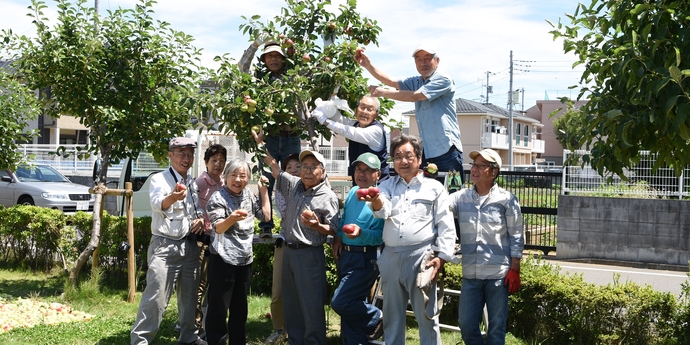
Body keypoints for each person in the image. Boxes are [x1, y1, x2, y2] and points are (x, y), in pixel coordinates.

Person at [368, 134, 458, 345]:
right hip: (391, 257)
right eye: (398, 156)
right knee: (392, 316)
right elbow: (383, 211)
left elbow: (446, 224)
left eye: (408, 155)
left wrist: (442, 257)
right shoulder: (386, 186)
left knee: (427, 316)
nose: (403, 161)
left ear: (419, 159)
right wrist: (375, 200)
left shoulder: (434, 188)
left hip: (422, 257)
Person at [252, 128, 340, 345]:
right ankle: (296, 341)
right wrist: (261, 144)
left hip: (309, 254)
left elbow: (333, 229)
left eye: (313, 167)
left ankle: (314, 342)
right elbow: (273, 166)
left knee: (310, 304)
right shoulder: (293, 186)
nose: (308, 171)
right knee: (291, 304)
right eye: (304, 167)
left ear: (322, 170)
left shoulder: (327, 196)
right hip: (289, 251)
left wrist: (317, 225)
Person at [130, 137, 207, 345]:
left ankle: (189, 337)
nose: (187, 158)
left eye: (190, 154)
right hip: (165, 245)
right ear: (170, 155)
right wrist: (173, 197)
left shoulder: (191, 181)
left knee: (190, 298)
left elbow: (195, 208)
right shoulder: (159, 179)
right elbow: (158, 204)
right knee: (156, 297)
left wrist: (200, 218)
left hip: (190, 246)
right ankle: (141, 341)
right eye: (181, 153)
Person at [450, 149, 524, 345]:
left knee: (496, 328)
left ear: (494, 171)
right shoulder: (460, 198)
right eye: (474, 165)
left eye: (481, 166)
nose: (474, 169)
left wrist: (515, 268)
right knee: (466, 326)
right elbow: (441, 206)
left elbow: (516, 234)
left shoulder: (507, 199)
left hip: (498, 275)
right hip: (471, 275)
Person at [355, 44, 464, 175]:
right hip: (427, 153)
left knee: (452, 193)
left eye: (427, 58)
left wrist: (382, 92)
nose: (422, 63)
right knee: (428, 193)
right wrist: (368, 65)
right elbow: (391, 81)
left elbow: (415, 96)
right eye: (418, 59)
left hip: (447, 151)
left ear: (437, 61)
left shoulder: (443, 79)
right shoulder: (417, 81)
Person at [204, 159, 271, 345]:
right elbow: (218, 228)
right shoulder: (218, 198)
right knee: (218, 309)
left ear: (248, 179)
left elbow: (265, 216)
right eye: (233, 175)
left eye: (242, 176)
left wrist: (263, 192)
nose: (238, 179)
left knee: (240, 310)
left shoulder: (248, 195)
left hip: (244, 260)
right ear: (225, 177)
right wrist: (231, 218)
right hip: (222, 260)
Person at [330, 152, 385, 344]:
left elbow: (379, 236)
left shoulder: (380, 200)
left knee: (341, 302)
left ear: (378, 174)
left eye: (368, 170)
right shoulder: (354, 192)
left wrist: (361, 233)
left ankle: (378, 316)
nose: (362, 174)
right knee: (352, 308)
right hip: (346, 255)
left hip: (365, 259)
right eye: (358, 169)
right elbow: (344, 218)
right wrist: (338, 237)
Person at [255, 42, 303, 238]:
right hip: (271, 138)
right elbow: (243, 68)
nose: (273, 59)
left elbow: (300, 62)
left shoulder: (293, 76)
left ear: (284, 58)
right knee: (266, 179)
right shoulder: (259, 80)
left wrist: (293, 46)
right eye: (269, 56)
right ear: (264, 60)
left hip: (292, 136)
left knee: (294, 178)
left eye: (277, 55)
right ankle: (266, 223)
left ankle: (296, 218)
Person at [264, 153, 301, 344]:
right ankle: (279, 329)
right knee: (278, 290)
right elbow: (288, 211)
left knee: (302, 292)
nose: (294, 170)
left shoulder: (315, 189)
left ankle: (298, 330)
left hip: (305, 246)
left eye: (298, 167)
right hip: (285, 242)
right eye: (289, 168)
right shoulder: (282, 188)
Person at [312, 96, 390, 184]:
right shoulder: (356, 124)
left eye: (370, 109)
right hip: (359, 183)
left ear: (376, 114)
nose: (365, 112)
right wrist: (329, 107)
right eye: (362, 107)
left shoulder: (376, 131)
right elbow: (340, 120)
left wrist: (324, 121)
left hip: (379, 185)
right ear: (356, 110)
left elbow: (349, 131)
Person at [192, 144, 227, 338]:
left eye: (221, 161)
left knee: (214, 284)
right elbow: (192, 206)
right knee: (199, 283)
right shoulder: (201, 182)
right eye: (214, 160)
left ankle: (205, 324)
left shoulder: (224, 183)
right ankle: (193, 325)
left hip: (218, 240)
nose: (218, 164)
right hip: (202, 240)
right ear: (206, 162)